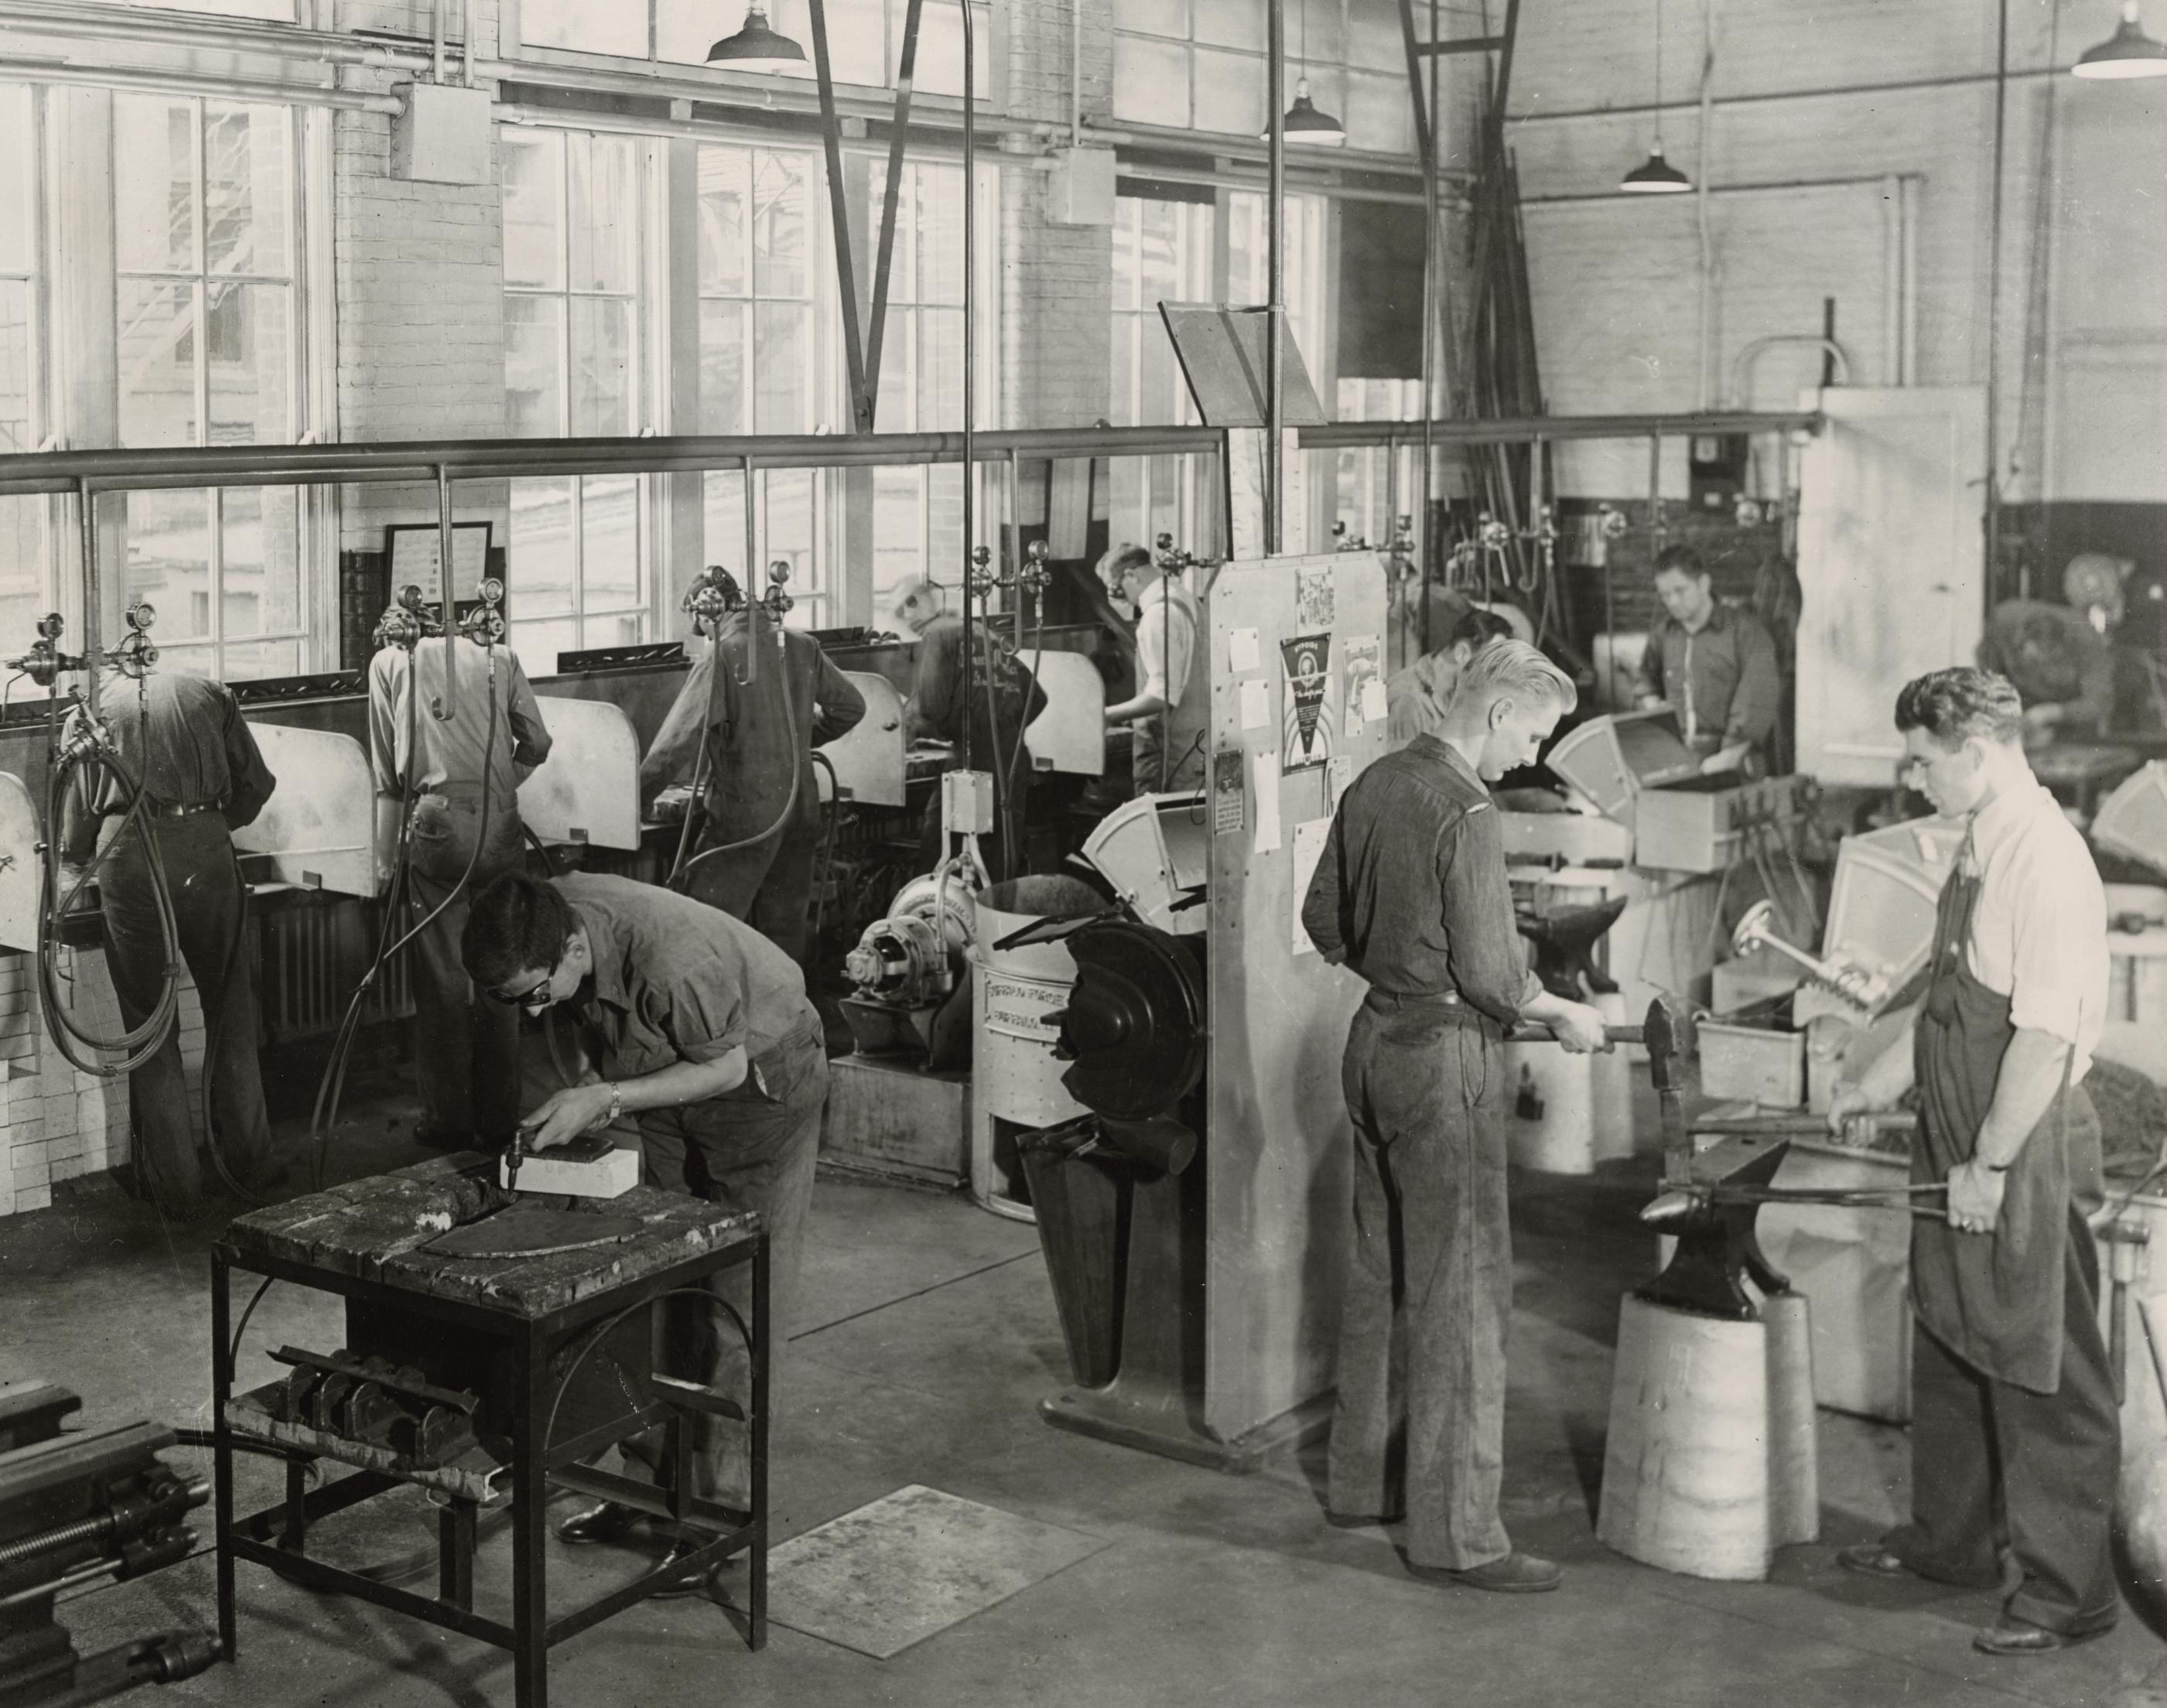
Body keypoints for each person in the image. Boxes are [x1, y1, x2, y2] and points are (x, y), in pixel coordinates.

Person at [1300, 640, 1613, 1595]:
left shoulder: (1376, 782)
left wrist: (1397, 966)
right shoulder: (1467, 810)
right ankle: (1459, 1536)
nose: (1532, 755)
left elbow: (1321, 921)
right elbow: (1488, 975)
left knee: (1380, 1274)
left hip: (1371, 1046)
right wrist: (1561, 1010)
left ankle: (1362, 1485)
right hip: (1443, 1065)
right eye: (1534, 733)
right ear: (1496, 711)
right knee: (1463, 1296)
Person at [1827, 667, 2117, 1658]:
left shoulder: (2046, 863)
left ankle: (2065, 1592)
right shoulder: (1978, 842)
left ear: (1978, 752)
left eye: (1921, 762)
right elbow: (1947, 1001)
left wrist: (1987, 1165)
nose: (1910, 780)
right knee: (1950, 1337)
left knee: (2042, 1364)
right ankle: (1949, 1542)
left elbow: (2040, 1038)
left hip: (2021, 1141)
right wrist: (1872, 1088)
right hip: (1954, 1128)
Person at [463, 870, 826, 1593]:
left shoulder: (674, 961)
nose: (532, 1012)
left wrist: (605, 1096)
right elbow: (587, 1027)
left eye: (536, 994)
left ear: (573, 949)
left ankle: (719, 1517)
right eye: (514, 1000)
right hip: (664, 1077)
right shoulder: (540, 917)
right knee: (656, 1288)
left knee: (737, 1308)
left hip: (759, 1086)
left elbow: (724, 1068)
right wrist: (592, 1094)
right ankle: (648, 1484)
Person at [63, 669, 282, 1208]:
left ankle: (176, 1187)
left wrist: (82, 853)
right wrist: (208, 827)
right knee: (231, 1011)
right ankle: (252, 1167)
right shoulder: (207, 692)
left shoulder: (90, 706)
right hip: (206, 847)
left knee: (150, 1023)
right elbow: (257, 784)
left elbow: (76, 827)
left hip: (130, 854)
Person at [367, 632, 552, 1148]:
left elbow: (387, 775)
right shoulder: (499, 656)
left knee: (442, 980)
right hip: (500, 824)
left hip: (438, 825)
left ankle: (447, 1122)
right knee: (504, 965)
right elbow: (538, 743)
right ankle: (498, 1121)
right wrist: (500, 784)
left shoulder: (391, 660)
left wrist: (384, 860)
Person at [640, 596, 865, 965]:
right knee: (785, 927)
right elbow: (851, 708)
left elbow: (677, 742)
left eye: (701, 626)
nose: (704, 634)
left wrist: (637, 799)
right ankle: (788, 1001)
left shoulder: (722, 656)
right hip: (801, 810)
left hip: (747, 817)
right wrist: (796, 740)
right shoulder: (803, 645)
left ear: (709, 612)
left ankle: (714, 1002)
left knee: (708, 924)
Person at [891, 576, 1048, 881]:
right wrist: (1002, 727)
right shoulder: (984, 632)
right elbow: (1037, 697)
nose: (904, 622)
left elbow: (931, 707)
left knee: (938, 858)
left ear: (915, 604)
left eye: (901, 612)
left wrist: (909, 727)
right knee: (1000, 864)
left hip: (972, 762)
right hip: (1013, 759)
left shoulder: (937, 636)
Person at [1631, 545, 1782, 762]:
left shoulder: (1746, 632)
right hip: (1678, 756)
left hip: (1735, 759)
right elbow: (1645, 680)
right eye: (1665, 595)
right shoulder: (1663, 634)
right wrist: (1654, 709)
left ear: (1703, 583)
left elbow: (1756, 699)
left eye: (1680, 590)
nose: (1673, 601)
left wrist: (1729, 756)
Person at [1098, 543, 1207, 794]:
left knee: (1160, 817)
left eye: (1115, 588)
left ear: (1131, 575)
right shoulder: (1184, 598)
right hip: (1196, 742)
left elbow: (1162, 696)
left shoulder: (1157, 616)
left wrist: (1107, 715)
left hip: (1168, 752)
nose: (1119, 598)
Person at [1385, 606, 1516, 747]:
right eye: (1490, 663)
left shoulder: (1459, 689)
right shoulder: (1408, 701)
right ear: (1461, 654)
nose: (1495, 675)